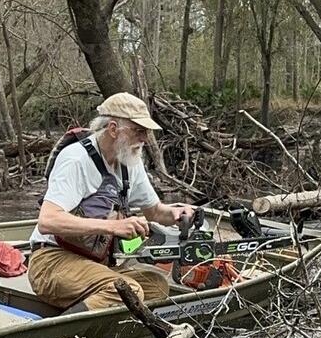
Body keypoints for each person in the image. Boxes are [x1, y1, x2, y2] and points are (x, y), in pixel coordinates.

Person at [27, 93, 197, 311]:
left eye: (146, 132)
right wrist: (114, 226)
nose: (145, 138)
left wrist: (177, 213)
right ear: (113, 128)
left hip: (94, 264)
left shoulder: (130, 160)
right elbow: (48, 220)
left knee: (157, 286)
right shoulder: (76, 159)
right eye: (139, 131)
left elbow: (155, 212)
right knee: (128, 291)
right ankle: (65, 337)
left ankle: (110, 331)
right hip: (51, 261)